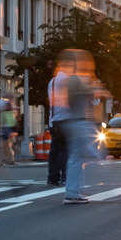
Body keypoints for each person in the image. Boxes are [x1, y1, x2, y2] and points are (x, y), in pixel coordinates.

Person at [62, 49, 109, 204]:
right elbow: (90, 93)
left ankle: (74, 192)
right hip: (78, 121)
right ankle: (73, 193)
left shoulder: (78, 79)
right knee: (81, 157)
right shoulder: (76, 80)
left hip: (78, 121)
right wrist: (95, 88)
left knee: (78, 158)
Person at [47, 56, 73, 186]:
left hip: (53, 120)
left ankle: (52, 177)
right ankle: (65, 176)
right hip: (65, 120)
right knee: (65, 149)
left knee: (55, 150)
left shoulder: (52, 82)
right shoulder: (68, 82)